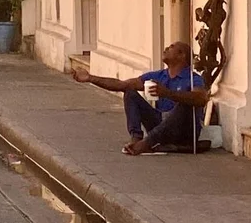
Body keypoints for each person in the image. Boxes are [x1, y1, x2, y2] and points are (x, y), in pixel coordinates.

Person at [72, 41, 209, 154]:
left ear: (181, 55)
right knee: (130, 91)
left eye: (171, 47)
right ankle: (136, 138)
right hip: (160, 125)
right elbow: (122, 84)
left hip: (182, 131)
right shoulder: (159, 75)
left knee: (185, 103)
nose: (166, 48)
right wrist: (90, 78)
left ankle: (147, 143)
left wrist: (167, 93)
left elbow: (201, 99)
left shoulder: (193, 79)